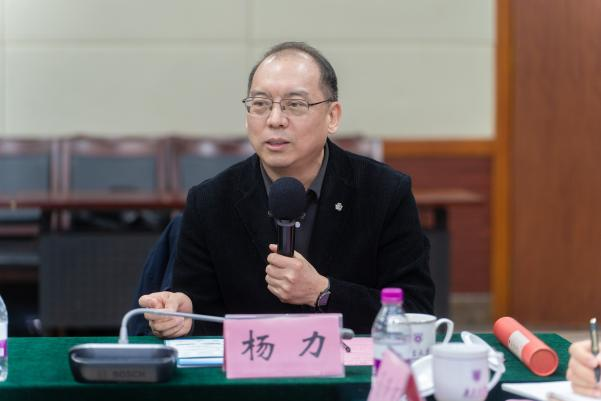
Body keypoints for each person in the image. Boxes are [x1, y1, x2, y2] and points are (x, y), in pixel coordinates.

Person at [139, 41, 435, 337]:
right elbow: (203, 313)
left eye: (295, 104)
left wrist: (322, 292)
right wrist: (185, 316)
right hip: (251, 364)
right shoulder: (210, 201)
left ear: (332, 116)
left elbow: (415, 310)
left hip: (349, 365)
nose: (275, 120)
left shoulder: (384, 193)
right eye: (260, 104)